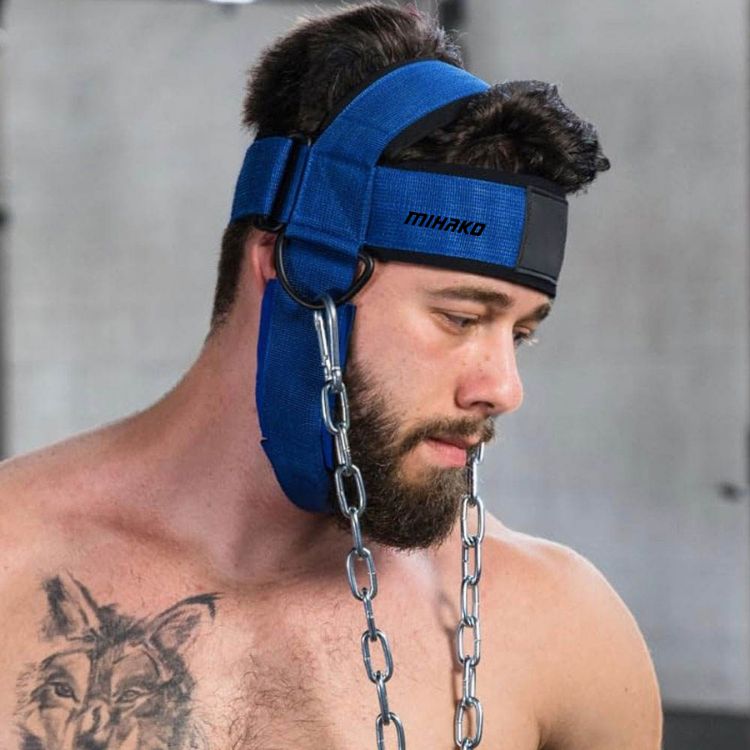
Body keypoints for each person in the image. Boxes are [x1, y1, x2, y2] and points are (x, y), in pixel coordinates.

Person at [0, 3, 662, 748]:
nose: (504, 389)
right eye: (459, 317)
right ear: (292, 270)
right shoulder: (14, 561)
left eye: (522, 333)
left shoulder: (561, 630)